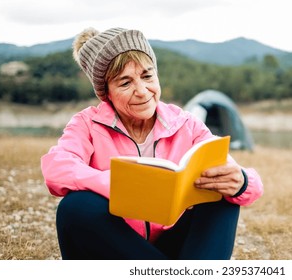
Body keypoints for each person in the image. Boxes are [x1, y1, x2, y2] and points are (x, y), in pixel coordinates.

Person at [40, 27, 263, 260]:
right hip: (118, 247)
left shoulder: (186, 123)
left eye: (147, 76)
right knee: (75, 207)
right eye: (125, 83)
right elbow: (57, 168)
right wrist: (117, 184)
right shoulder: (87, 123)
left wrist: (242, 181)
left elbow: (249, 185)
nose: (142, 91)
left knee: (221, 196)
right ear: (106, 93)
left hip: (175, 245)